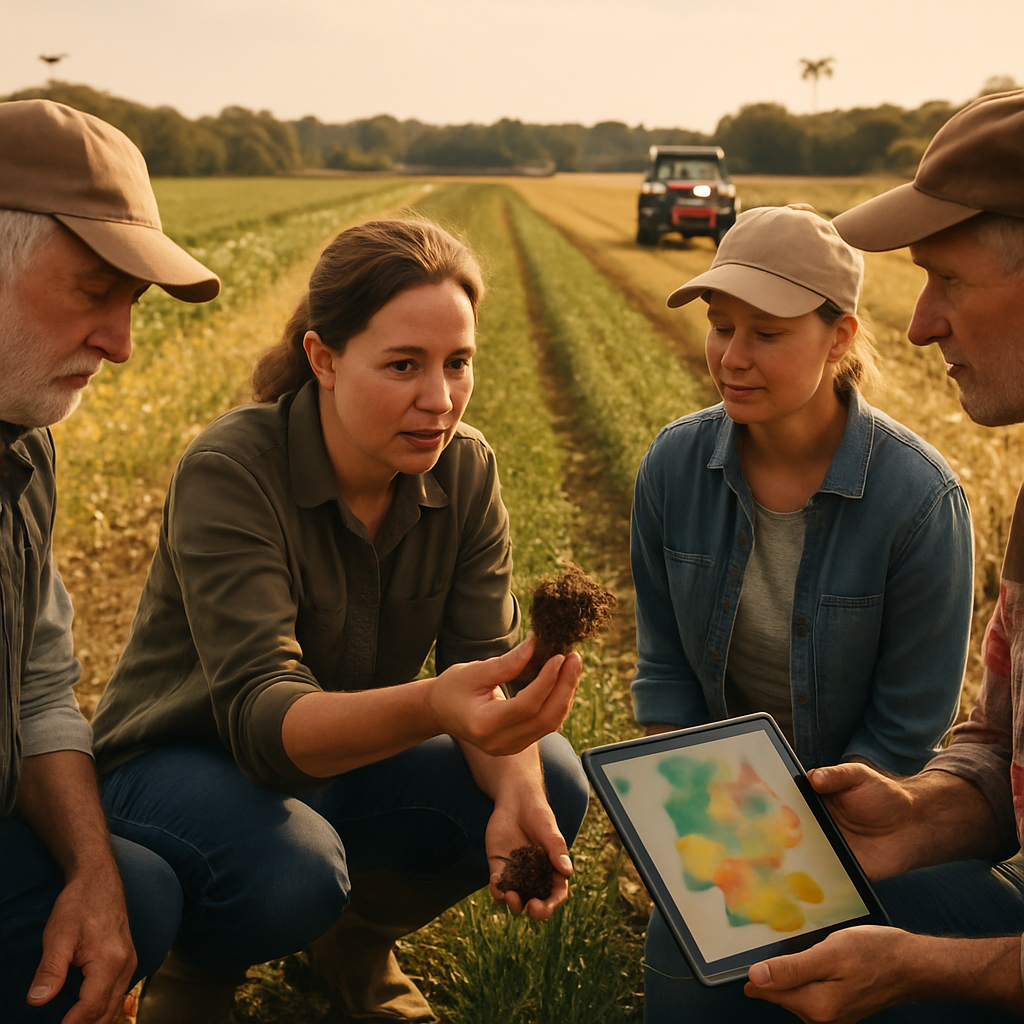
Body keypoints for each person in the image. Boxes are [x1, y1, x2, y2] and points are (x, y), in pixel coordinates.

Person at [90, 217, 590, 1024]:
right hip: (179, 765)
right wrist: (435, 704)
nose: (440, 400)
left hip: (341, 755)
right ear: (323, 359)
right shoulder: (233, 470)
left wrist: (519, 793)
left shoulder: (464, 470)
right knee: (291, 870)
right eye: (403, 365)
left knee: (552, 778)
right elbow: (263, 724)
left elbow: (481, 667)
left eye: (458, 362)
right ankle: (196, 971)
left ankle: (354, 944)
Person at [630, 204, 974, 1022]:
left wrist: (799, 854)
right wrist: (683, 817)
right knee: (684, 974)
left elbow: (905, 730)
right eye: (721, 326)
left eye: (767, 333)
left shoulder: (920, 502)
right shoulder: (674, 466)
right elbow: (666, 668)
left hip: (868, 818)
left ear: (840, 337)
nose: (732, 356)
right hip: (725, 808)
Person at [724, 89, 1024, 1023]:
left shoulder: (916, 495)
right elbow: (1000, 745)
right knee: (745, 932)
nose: (921, 324)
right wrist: (919, 816)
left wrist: (928, 969)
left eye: (949, 280)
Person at [0, 99, 221, 1023]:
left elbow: (37, 689)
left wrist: (90, 873)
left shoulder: (24, 448)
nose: (121, 345)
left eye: (131, 304)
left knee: (134, 892)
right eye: (94, 291)